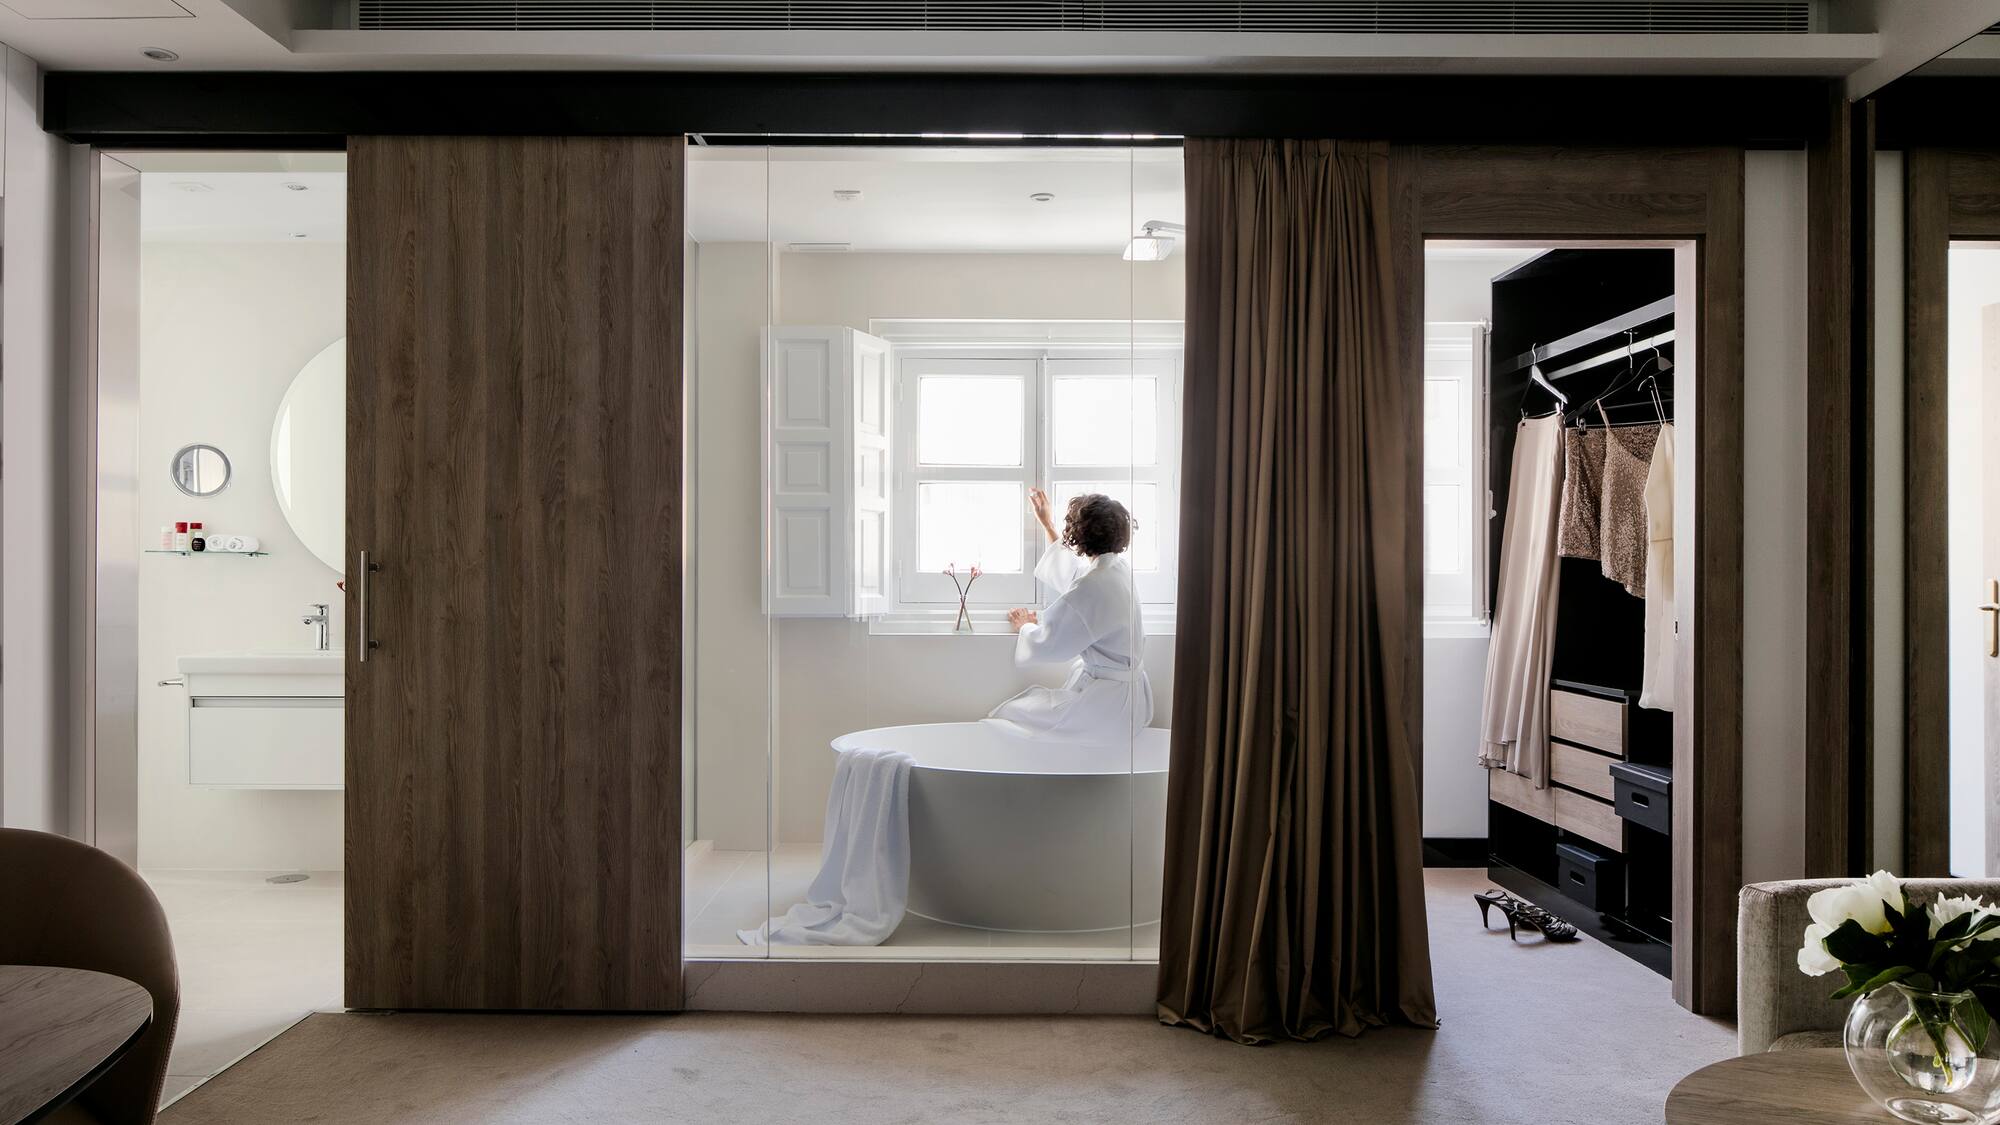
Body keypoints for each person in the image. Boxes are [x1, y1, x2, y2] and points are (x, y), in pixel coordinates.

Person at [986, 488, 1153, 740]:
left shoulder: (1095, 584)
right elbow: (1077, 580)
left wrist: (1025, 627)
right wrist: (1047, 524)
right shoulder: (1117, 569)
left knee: (1007, 715)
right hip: (1128, 696)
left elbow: (1049, 644)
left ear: (1079, 534)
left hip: (1108, 705)